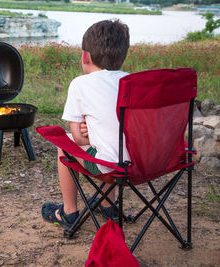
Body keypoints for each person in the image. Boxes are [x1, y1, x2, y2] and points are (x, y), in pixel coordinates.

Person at [41, 19, 131, 228]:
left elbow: (80, 139)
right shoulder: (132, 82)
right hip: (139, 164)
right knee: (112, 146)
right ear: (123, 56)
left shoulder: (80, 84)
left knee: (66, 144)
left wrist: (89, 134)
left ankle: (68, 212)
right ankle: (108, 206)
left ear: (85, 55)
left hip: (108, 167)